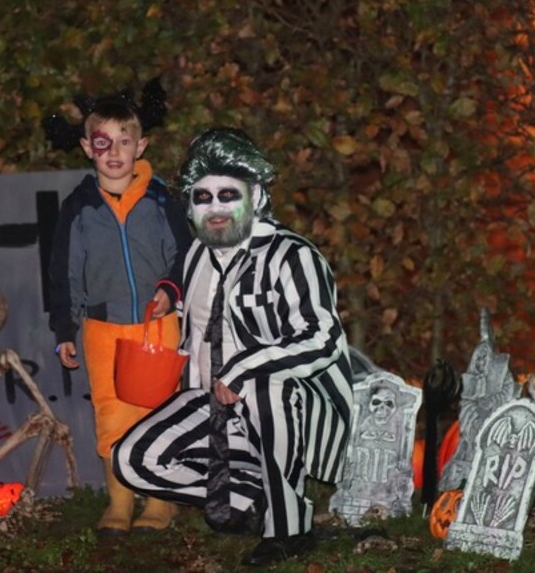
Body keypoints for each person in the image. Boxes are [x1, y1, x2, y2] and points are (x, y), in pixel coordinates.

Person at [112, 128, 355, 566]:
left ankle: (289, 528)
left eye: (228, 195)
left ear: (256, 196)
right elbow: (199, 326)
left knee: (264, 387)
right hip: (214, 403)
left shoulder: (291, 255)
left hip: (293, 404)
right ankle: (248, 497)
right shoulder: (196, 257)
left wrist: (242, 368)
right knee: (130, 459)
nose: (216, 208)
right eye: (202, 198)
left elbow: (323, 338)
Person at [48, 91, 192, 537]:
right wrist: (64, 327)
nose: (114, 152)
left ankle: (161, 501)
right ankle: (120, 501)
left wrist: (171, 290)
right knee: (112, 413)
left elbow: (185, 254)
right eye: (103, 142)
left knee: (160, 409)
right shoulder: (78, 208)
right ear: (87, 148)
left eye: (124, 142)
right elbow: (63, 272)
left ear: (140, 146)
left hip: (157, 323)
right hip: (103, 327)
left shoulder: (161, 199)